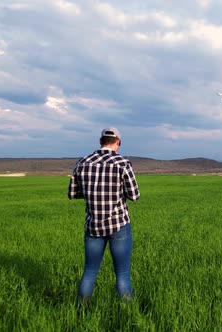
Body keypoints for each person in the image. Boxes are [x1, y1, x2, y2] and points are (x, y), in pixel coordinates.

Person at [68, 127, 140, 305]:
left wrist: (92, 194)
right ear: (118, 142)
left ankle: (81, 311)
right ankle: (129, 313)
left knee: (90, 271)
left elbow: (72, 193)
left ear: (100, 142)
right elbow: (134, 195)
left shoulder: (82, 162)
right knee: (122, 273)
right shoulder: (123, 163)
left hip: (93, 225)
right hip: (119, 224)